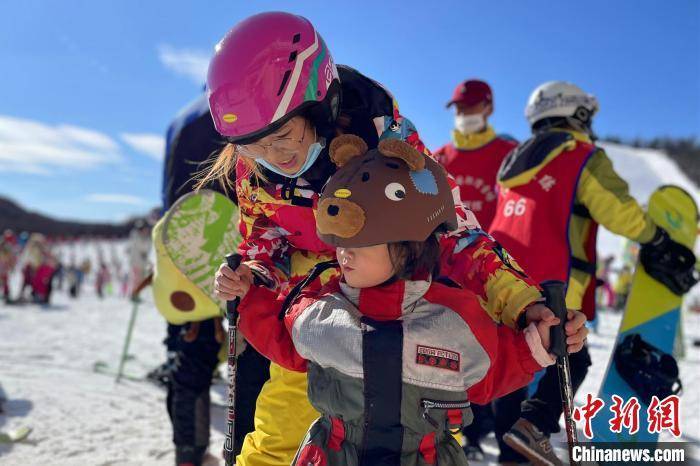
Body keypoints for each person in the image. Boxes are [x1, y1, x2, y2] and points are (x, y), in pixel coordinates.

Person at [204, 12, 588, 466]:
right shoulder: (255, 166)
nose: (274, 158)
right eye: (253, 146)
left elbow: (451, 229)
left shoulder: (381, 135)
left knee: (420, 412)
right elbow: (265, 234)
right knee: (284, 424)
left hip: (400, 288)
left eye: (284, 138)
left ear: (319, 104)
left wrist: (523, 303)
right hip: (316, 299)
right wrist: (253, 273)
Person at [227, 135, 561, 465]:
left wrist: (538, 342)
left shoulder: (451, 317)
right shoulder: (324, 307)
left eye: (358, 246)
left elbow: (493, 370)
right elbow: (282, 338)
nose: (342, 256)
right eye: (339, 245)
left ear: (405, 246)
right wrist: (248, 296)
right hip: (336, 455)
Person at [489, 80, 697, 465]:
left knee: (515, 368)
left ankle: (512, 451)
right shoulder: (580, 154)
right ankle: (534, 426)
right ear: (577, 113)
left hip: (501, 282)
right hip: (554, 282)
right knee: (574, 355)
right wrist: (657, 239)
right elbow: (615, 207)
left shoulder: (511, 163)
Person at [157, 92, 270, 466]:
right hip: (233, 245)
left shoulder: (179, 120)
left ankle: (188, 453)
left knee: (189, 355)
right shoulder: (247, 107)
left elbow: (168, 194)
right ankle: (238, 455)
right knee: (247, 359)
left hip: (180, 245)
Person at [434, 79, 518, 230]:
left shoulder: (511, 153)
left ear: (489, 108)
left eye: (469, 106)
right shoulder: (438, 157)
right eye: (458, 107)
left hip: (495, 249)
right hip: (448, 250)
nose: (462, 113)